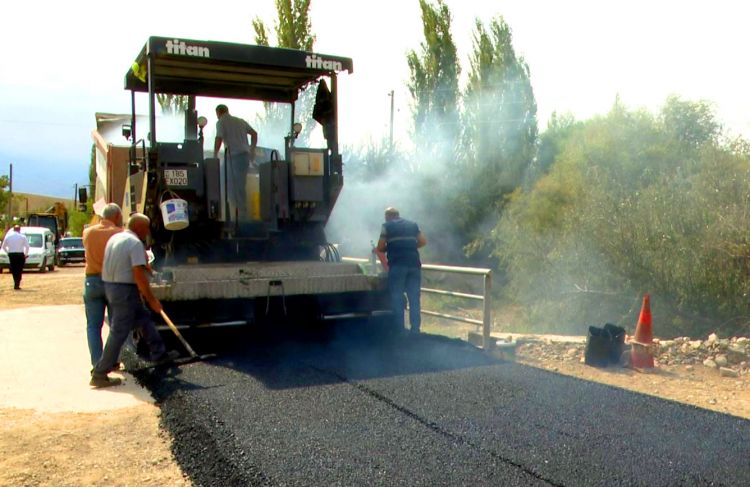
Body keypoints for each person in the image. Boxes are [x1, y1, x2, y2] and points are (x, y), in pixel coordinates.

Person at [90, 213, 172, 388]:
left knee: (143, 318)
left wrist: (149, 273)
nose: (148, 231)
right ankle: (100, 372)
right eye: (147, 228)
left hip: (111, 286)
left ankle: (159, 353)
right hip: (124, 290)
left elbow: (136, 267)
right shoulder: (135, 243)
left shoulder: (116, 238)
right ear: (140, 228)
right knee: (119, 331)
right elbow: (138, 275)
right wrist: (152, 299)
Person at [82, 203, 124, 366]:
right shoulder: (120, 234)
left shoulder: (87, 232)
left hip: (92, 282)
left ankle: (98, 364)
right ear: (116, 217)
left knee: (93, 326)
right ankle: (113, 360)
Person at [376, 207, 427, 334]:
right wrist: (409, 246)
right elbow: (423, 241)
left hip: (398, 265)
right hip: (414, 265)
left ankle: (400, 330)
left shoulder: (386, 226)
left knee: (397, 297)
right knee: (414, 298)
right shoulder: (413, 225)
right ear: (398, 215)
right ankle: (415, 330)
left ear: (387, 216)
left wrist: (393, 248)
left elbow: (380, 247)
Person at [213, 104, 258, 223]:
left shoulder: (221, 122)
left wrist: (214, 155)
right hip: (244, 157)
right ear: (227, 110)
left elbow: (219, 138)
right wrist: (252, 150)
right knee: (239, 185)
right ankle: (237, 212)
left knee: (223, 181)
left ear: (218, 113)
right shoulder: (240, 121)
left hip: (233, 157)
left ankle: (235, 215)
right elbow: (254, 133)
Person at [2, 225, 29, 290]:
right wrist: (25, 254)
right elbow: (27, 246)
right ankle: (17, 283)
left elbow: (3, 247)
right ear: (19, 230)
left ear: (13, 230)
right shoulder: (23, 237)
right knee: (19, 269)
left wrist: (8, 252)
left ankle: (16, 282)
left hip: (12, 254)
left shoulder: (8, 236)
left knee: (14, 269)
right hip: (20, 254)